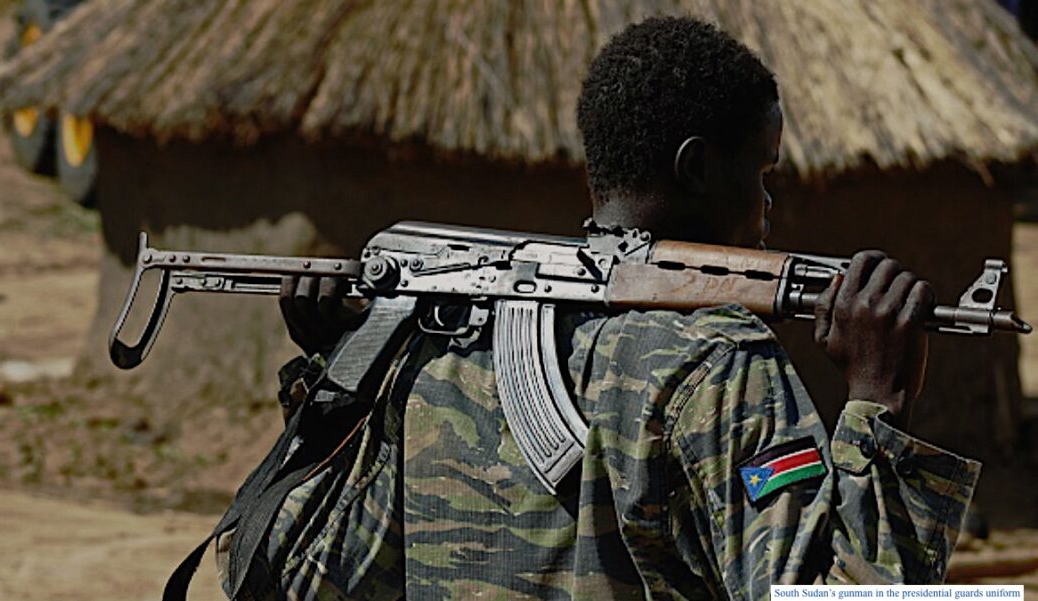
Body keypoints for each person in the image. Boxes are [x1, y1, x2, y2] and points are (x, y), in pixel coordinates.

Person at [272, 16, 980, 600]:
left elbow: (308, 577)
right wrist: (878, 409)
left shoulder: (438, 345)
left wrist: (337, 381)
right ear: (697, 168)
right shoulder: (719, 364)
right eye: (762, 172)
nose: (769, 204)